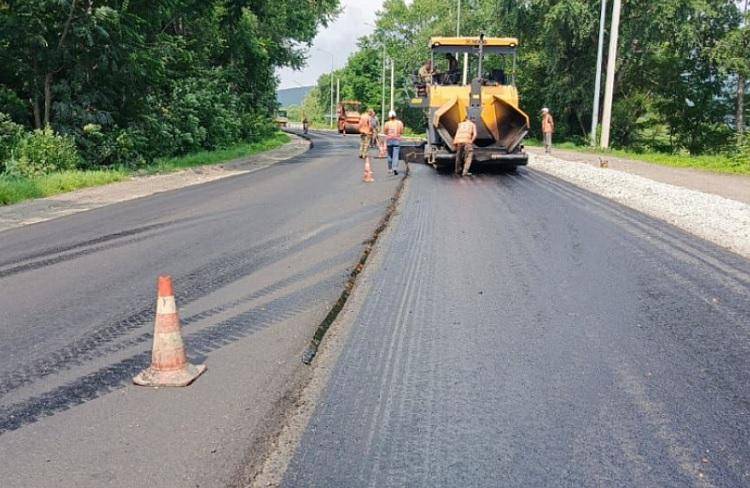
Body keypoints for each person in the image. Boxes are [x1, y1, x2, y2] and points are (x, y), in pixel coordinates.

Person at [383, 110, 404, 175]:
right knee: (395, 155)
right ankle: (395, 168)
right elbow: (401, 131)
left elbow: (385, 132)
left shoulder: (387, 123)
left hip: (389, 140)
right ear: (395, 116)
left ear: (389, 116)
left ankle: (390, 169)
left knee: (389, 155)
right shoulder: (399, 123)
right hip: (396, 140)